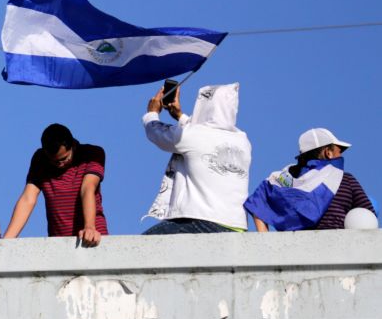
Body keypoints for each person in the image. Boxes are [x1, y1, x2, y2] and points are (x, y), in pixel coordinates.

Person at [142, 83, 251, 234]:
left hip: (201, 221)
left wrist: (151, 113)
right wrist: (180, 117)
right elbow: (204, 135)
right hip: (235, 225)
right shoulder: (242, 140)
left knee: (145, 246)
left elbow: (157, 133)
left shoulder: (193, 134)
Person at [244, 128, 375, 232]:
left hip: (298, 255)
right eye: (338, 150)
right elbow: (368, 216)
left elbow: (259, 201)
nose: (340, 155)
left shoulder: (287, 181)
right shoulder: (346, 180)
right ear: (328, 152)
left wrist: (265, 241)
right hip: (339, 251)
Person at [3, 124, 107, 247]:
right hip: (59, 241)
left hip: (91, 236)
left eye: (63, 159)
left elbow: (87, 188)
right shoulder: (40, 159)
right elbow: (28, 198)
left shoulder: (92, 154)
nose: (59, 164)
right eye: (53, 161)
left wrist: (89, 227)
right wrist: (6, 242)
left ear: (72, 145)